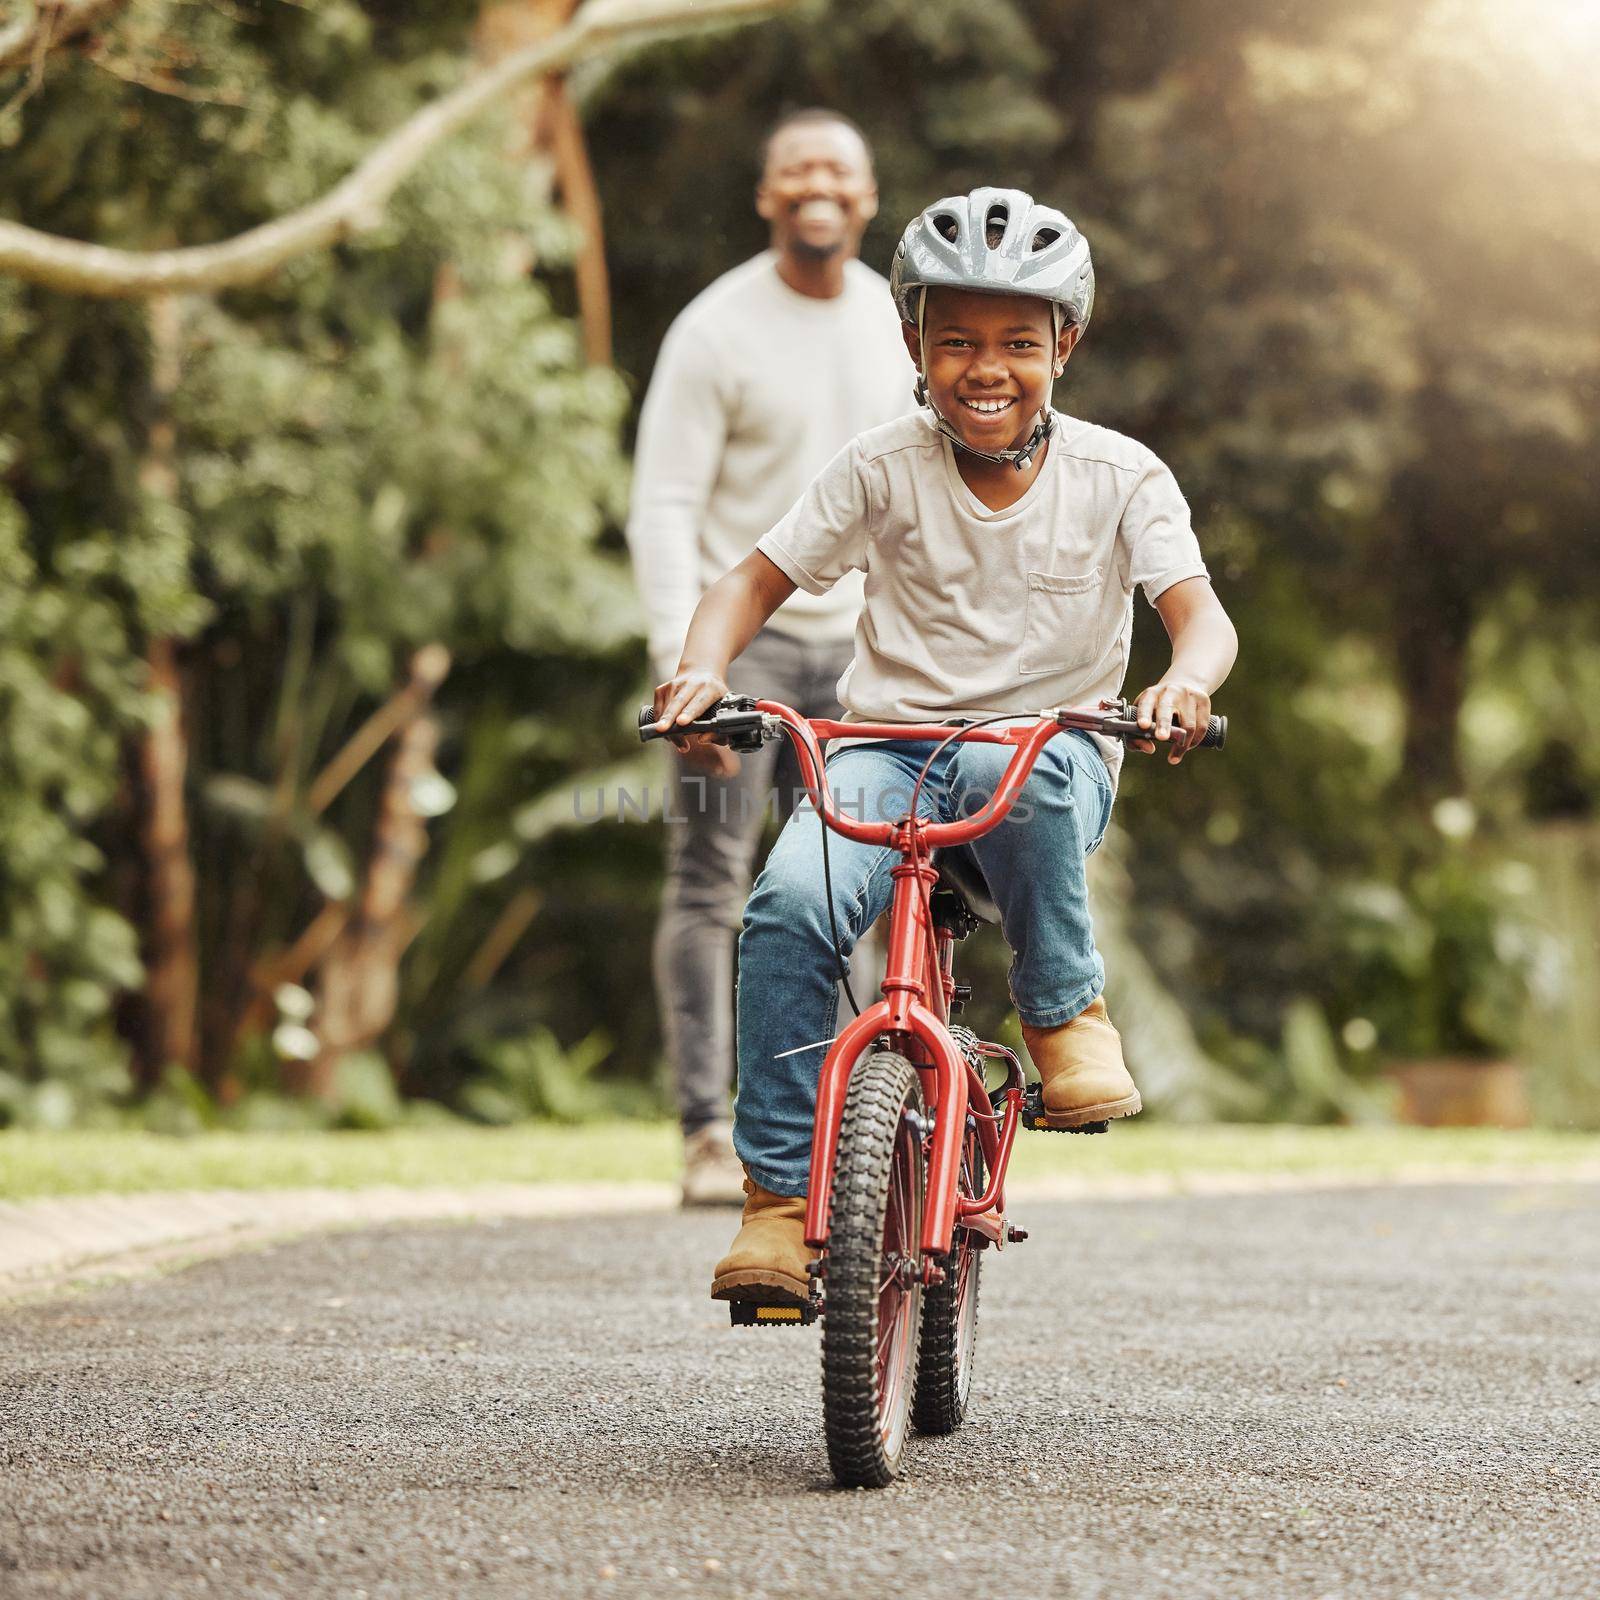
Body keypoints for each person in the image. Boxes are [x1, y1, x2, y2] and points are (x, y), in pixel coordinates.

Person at [649, 187, 1240, 1308]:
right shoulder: (878, 467)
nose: (986, 367)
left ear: (1064, 346)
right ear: (912, 343)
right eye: (955, 339)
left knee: (1002, 764)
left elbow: (1199, 615)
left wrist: (1182, 682)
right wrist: (701, 668)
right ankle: (776, 1202)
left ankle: (1062, 1010)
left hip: (1043, 762)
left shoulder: (1121, 477)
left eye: (1019, 341)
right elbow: (750, 581)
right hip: (881, 751)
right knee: (784, 907)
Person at [626, 109, 910, 1207]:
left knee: (856, 884)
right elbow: (664, 505)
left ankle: (844, 1132)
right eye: (795, 168)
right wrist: (679, 661)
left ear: (868, 191)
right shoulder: (715, 329)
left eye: (837, 167)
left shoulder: (900, 323)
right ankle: (707, 1130)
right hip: (735, 650)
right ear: (766, 194)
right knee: (710, 882)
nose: (816, 184)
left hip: (862, 662)